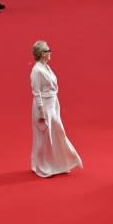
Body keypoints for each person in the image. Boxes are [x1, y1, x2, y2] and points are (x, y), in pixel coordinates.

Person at [29, 41, 82, 177]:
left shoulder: (46, 67)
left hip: (53, 105)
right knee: (45, 137)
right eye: (48, 50)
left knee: (57, 133)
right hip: (44, 108)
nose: (50, 52)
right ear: (42, 54)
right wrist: (41, 112)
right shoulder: (36, 71)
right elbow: (37, 93)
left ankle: (59, 163)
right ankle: (43, 165)